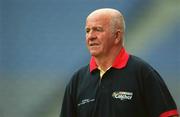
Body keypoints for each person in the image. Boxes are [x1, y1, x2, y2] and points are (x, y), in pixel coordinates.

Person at [60, 8, 179, 117]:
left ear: (117, 36)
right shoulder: (77, 81)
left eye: (98, 30)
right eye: (87, 30)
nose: (90, 36)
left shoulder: (143, 73)